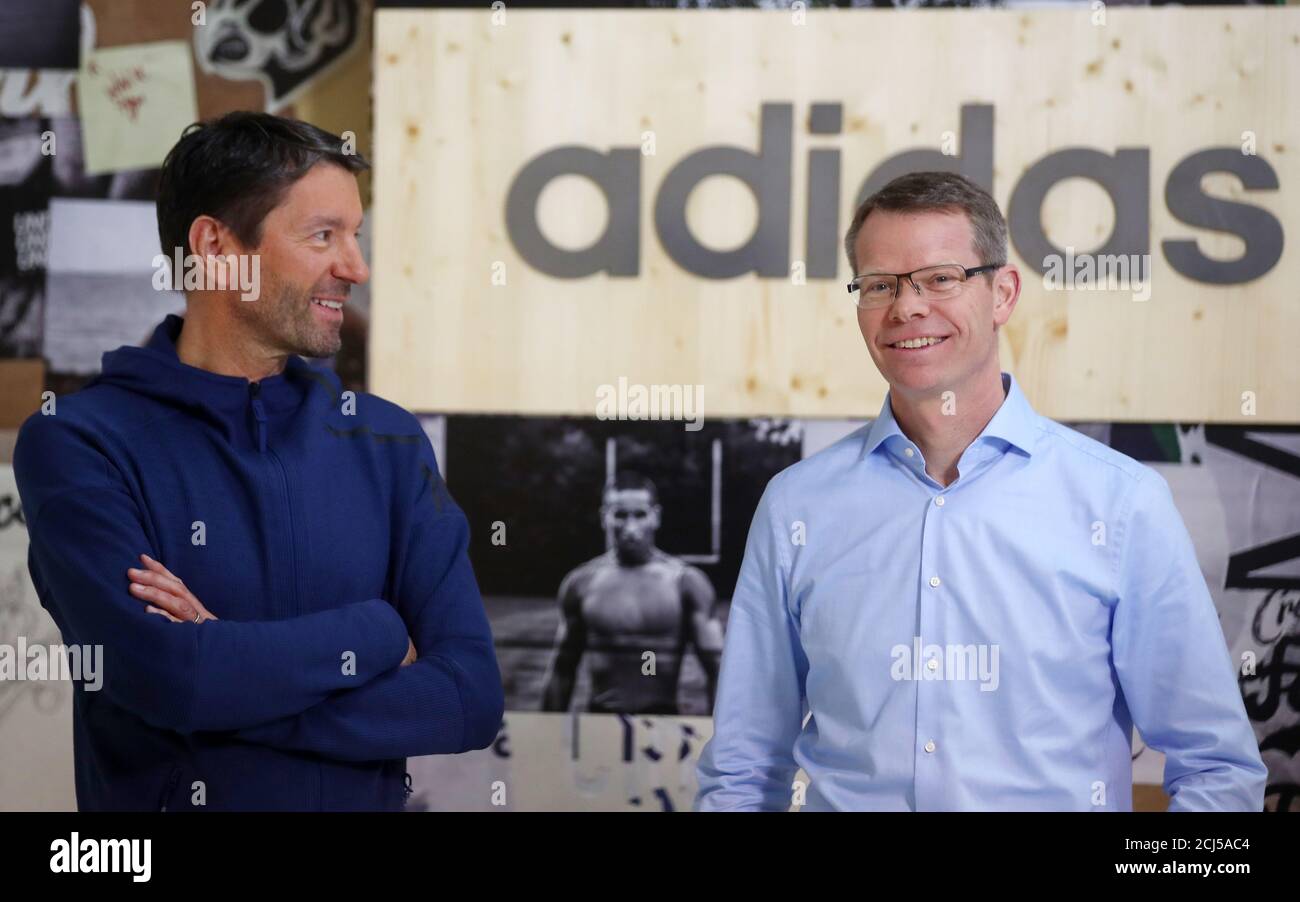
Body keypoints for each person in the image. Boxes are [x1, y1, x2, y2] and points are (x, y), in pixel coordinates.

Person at [695, 171, 1266, 811]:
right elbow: (744, 768)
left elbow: (1217, 771)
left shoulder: (1121, 503)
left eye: (940, 278)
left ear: (1003, 293)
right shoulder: (797, 506)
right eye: (879, 285)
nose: (906, 307)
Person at [13, 112, 504, 811]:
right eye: (322, 236)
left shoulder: (386, 444)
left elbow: (468, 697)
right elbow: (166, 678)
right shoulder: (79, 443)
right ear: (216, 245)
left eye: (355, 236)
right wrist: (381, 631)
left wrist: (225, 680)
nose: (356, 268)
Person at [541, 472, 722, 715]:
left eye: (639, 515)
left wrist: (721, 739)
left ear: (655, 517)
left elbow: (718, 669)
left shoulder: (686, 583)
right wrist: (544, 739)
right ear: (605, 517)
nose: (630, 526)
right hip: (600, 724)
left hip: (664, 724)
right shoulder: (581, 583)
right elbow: (562, 671)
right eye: (620, 515)